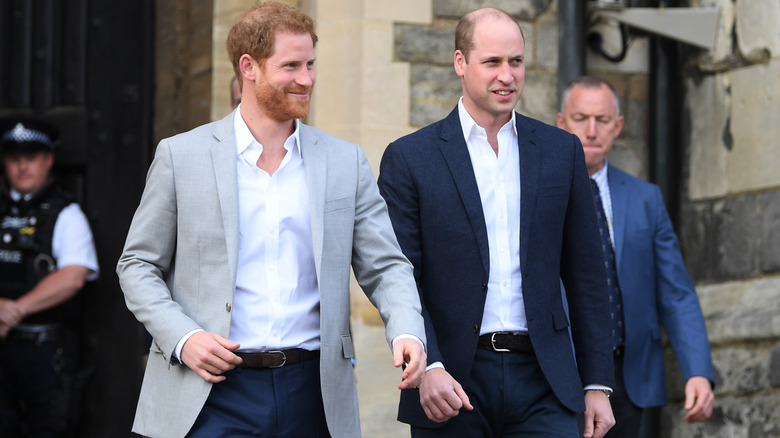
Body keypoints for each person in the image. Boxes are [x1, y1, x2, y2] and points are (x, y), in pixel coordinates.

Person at [116, 2, 426, 437]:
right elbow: (137, 265)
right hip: (208, 394)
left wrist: (408, 331)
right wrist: (185, 339)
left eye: (311, 64)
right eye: (291, 66)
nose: (307, 79)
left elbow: (386, 265)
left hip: (313, 393)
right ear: (249, 67)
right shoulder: (180, 156)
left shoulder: (344, 161)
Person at [378, 7, 615, 438]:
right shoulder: (411, 158)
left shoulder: (561, 152)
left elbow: (588, 275)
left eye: (516, 62)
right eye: (492, 62)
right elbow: (399, 275)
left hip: (546, 378)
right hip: (450, 380)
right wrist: (428, 365)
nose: (507, 75)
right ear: (460, 63)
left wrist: (597, 383)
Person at [556, 76, 715, 437]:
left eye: (603, 119)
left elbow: (675, 293)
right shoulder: (540, 194)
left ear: (619, 126)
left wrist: (698, 371)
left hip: (628, 378)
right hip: (560, 373)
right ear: (561, 122)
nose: (592, 130)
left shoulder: (646, 199)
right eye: (581, 118)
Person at [0, 116, 100, 437]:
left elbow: (73, 275)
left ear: (48, 160)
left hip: (43, 352)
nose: (22, 167)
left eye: (31, 158)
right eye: (15, 159)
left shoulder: (65, 213)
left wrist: (14, 310)